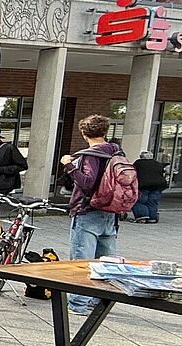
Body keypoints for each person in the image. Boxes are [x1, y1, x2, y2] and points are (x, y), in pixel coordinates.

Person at [61, 115, 124, 315]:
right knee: (106, 261)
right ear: (105, 132)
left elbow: (87, 182)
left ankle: (78, 303)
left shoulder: (91, 154)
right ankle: (99, 301)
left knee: (82, 260)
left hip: (88, 211)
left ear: (84, 133)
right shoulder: (117, 152)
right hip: (111, 212)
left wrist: (69, 165)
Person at [132, 150, 168, 223]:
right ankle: (152, 218)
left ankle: (142, 217)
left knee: (139, 201)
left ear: (141, 157)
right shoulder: (157, 164)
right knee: (152, 201)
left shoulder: (138, 163)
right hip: (158, 185)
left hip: (144, 185)